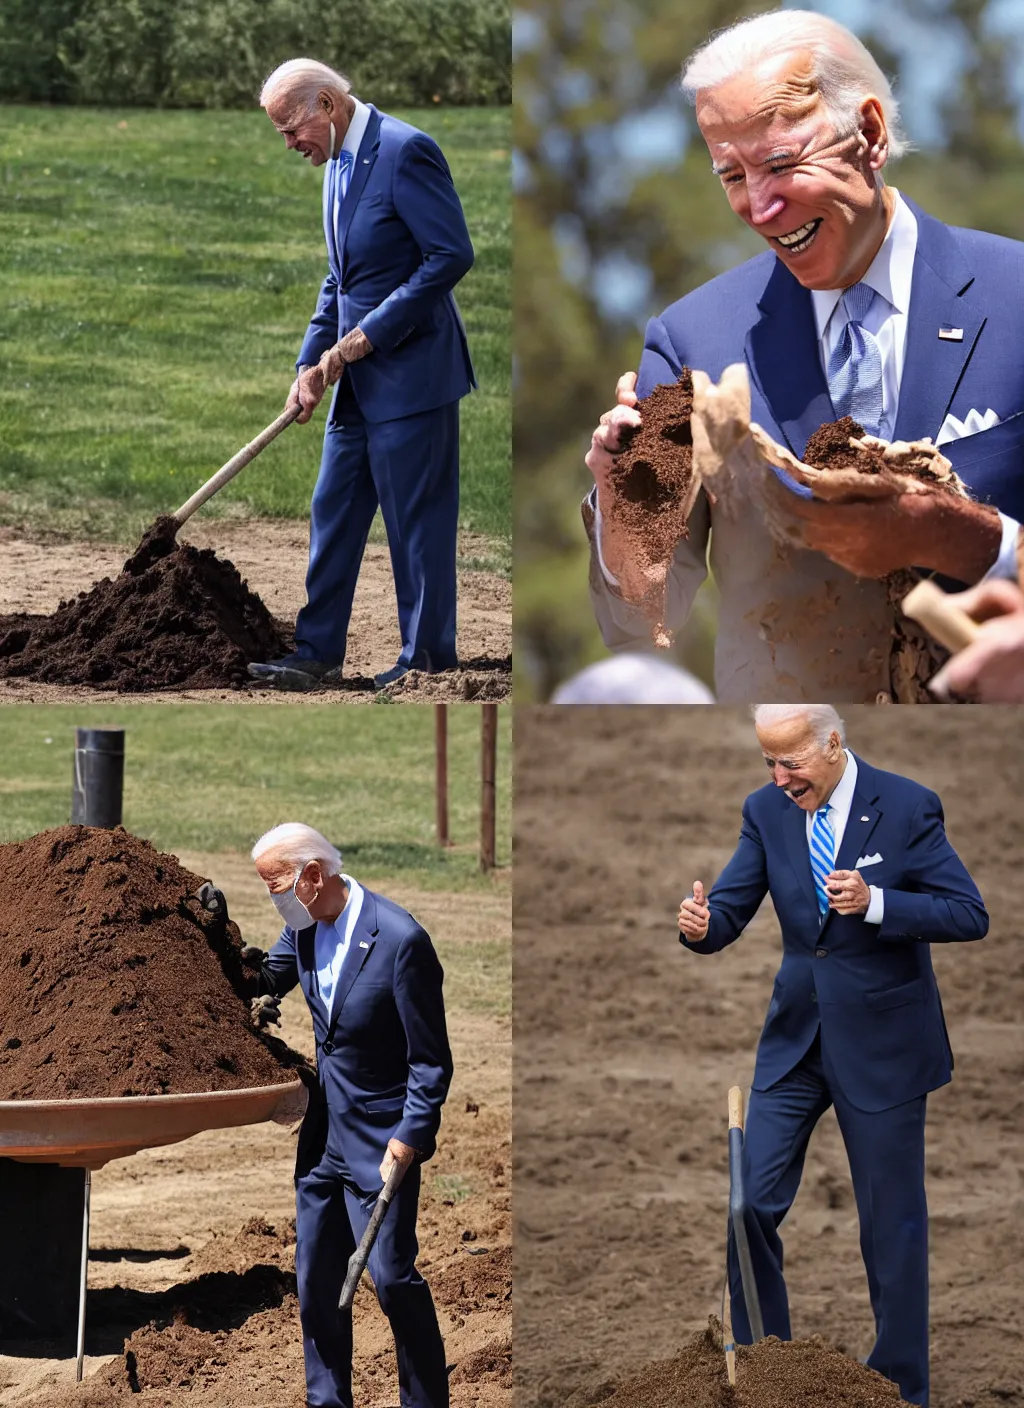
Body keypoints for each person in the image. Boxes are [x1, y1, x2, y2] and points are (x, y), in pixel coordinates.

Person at [584, 11, 1024, 702]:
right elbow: (641, 618)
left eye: (781, 163)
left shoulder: (1017, 295)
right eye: (731, 175)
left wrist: (958, 537)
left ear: (870, 135)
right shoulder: (691, 340)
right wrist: (618, 498)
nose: (759, 206)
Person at [676, 705, 988, 1406]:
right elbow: (728, 910)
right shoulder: (767, 810)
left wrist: (880, 903)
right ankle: (766, 1370)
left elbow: (969, 913)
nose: (780, 778)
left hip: (884, 1046)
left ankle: (901, 1386)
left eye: (791, 762)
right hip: (796, 1043)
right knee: (747, 1204)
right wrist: (701, 925)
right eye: (768, 763)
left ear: (834, 744)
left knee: (891, 1225)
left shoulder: (907, 806)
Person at [249, 58, 476, 692]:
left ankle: (424, 663)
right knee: (334, 509)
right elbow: (340, 278)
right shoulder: (337, 164)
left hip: (413, 377)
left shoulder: (406, 152)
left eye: (291, 129)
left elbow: (450, 255)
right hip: (353, 381)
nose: (290, 144)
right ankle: (315, 653)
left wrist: (365, 337)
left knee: (415, 524)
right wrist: (308, 361)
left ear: (326, 105)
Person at [245, 822, 453, 1408]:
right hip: (323, 1140)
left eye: (277, 884)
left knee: (391, 1280)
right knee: (313, 1282)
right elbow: (259, 980)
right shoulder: (304, 927)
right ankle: (327, 1401)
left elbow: (431, 1061)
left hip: (380, 1142)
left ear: (313, 876)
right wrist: (213, 933)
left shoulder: (399, 940)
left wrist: (410, 1136)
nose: (275, 899)